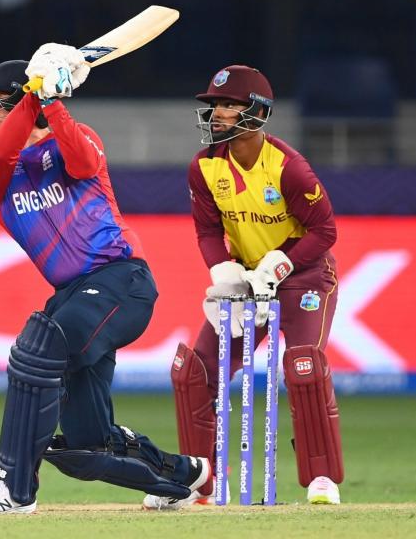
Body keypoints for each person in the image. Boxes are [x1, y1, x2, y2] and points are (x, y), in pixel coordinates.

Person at [0, 46, 209, 514]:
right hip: (75, 298)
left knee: (38, 348)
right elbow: (6, 151)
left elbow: (83, 163)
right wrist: (35, 95)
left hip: (121, 282)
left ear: (20, 101)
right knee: (84, 447)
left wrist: (51, 101)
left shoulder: (77, 139)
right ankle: (184, 476)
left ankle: (13, 490)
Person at [152, 65, 344, 508]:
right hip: (247, 279)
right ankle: (199, 480)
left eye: (228, 105)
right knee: (195, 370)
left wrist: (281, 264)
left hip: (305, 274)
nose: (217, 113)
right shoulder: (204, 168)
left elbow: (324, 231)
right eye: (214, 105)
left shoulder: (288, 168)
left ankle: (321, 478)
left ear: (257, 111)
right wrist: (224, 273)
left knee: (303, 365)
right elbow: (206, 232)